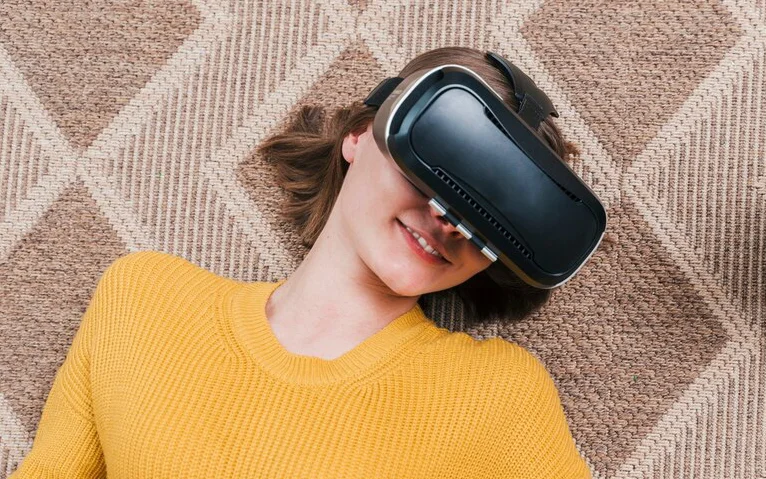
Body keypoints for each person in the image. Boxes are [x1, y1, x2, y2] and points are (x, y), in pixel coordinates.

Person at [12, 47, 591, 478]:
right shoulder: (144, 299)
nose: (449, 220)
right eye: (439, 168)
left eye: (492, 215)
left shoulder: (498, 398)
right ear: (361, 136)